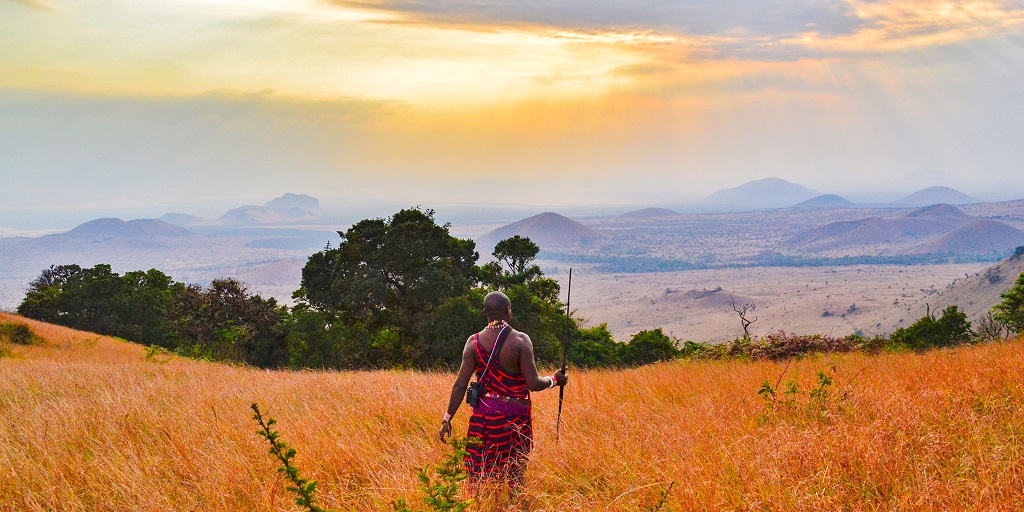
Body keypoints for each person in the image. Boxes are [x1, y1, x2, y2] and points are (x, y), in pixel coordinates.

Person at [439, 290, 568, 486]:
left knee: (480, 475)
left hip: (483, 419)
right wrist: (554, 380)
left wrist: (447, 419)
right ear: (508, 311)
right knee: (514, 474)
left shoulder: (473, 342)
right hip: (514, 420)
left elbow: (460, 385)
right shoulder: (521, 341)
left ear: (485, 312)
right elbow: (533, 384)